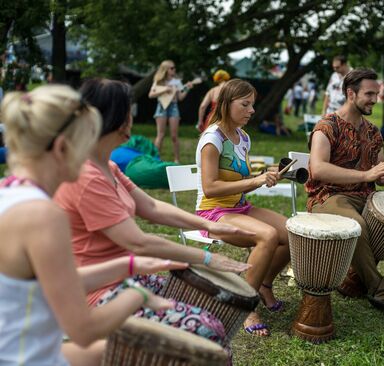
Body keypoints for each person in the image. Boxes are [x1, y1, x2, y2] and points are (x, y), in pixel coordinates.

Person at [54, 79, 252, 349]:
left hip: (124, 275)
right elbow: (138, 242)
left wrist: (210, 225)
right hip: (97, 291)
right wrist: (207, 257)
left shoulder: (107, 166)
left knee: (206, 315)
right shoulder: (86, 176)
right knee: (209, 331)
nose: (132, 118)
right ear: (117, 118)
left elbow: (152, 207)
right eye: (129, 111)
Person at [0, 84, 184, 365]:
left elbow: (50, 284)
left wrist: (127, 266)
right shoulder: (42, 216)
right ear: (63, 148)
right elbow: (83, 330)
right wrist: (138, 295)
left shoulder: (8, 192)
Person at [307, 68, 384, 320]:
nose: (374, 99)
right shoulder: (326, 126)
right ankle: (378, 288)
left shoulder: (373, 132)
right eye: (369, 94)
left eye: (376, 94)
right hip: (328, 198)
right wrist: (365, 176)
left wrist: (380, 175)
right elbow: (318, 169)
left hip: (366, 199)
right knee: (355, 225)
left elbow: (375, 169)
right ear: (350, 93)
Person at [196, 79, 291, 336]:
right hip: (213, 213)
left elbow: (241, 184)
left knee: (291, 233)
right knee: (268, 236)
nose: (251, 111)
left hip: (239, 208)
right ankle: (244, 306)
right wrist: (255, 180)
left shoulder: (243, 137)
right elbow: (210, 188)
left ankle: (264, 286)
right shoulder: (212, 138)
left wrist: (264, 176)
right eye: (245, 104)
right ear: (227, 104)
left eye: (253, 105)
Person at [148, 60, 195, 163]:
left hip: (173, 107)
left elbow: (180, 97)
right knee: (160, 135)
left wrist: (187, 88)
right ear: (165, 69)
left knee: (174, 136)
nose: (174, 69)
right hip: (161, 106)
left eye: (174, 68)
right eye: (172, 68)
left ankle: (177, 160)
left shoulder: (177, 82)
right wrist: (165, 89)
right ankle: (155, 159)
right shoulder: (158, 81)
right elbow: (151, 94)